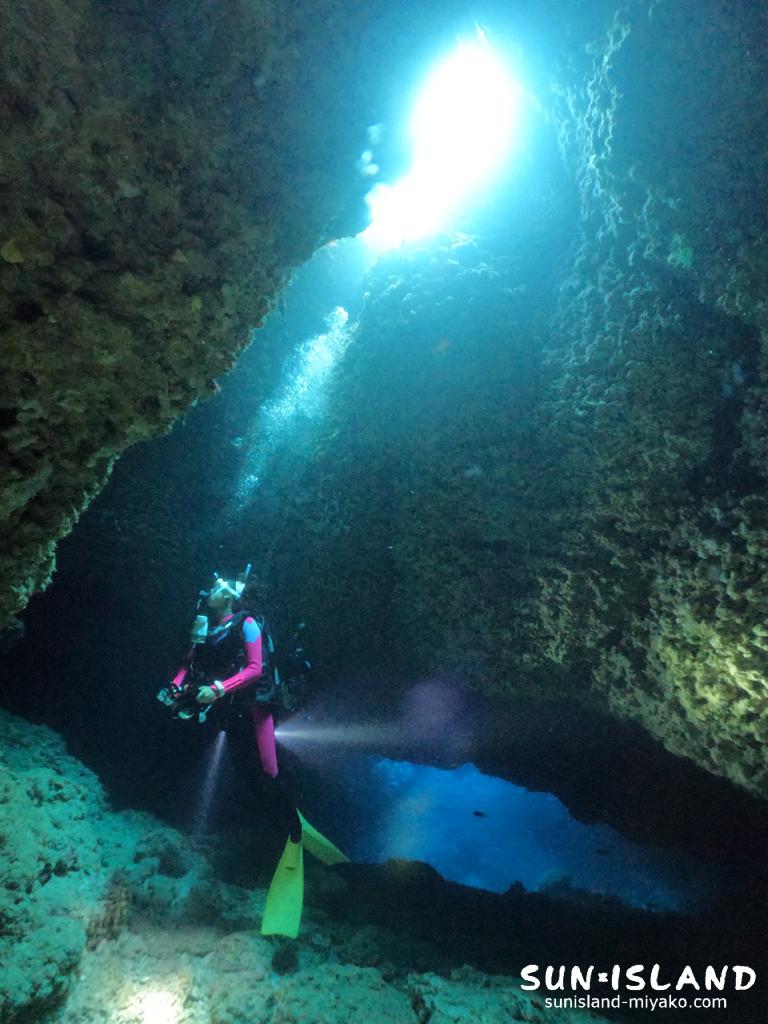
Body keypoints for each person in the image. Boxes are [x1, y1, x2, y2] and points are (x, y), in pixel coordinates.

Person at [158, 565, 347, 938]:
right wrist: (174, 687)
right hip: (227, 709)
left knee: (270, 772)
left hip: (254, 707)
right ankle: (284, 824)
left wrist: (218, 688)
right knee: (248, 778)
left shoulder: (247, 623)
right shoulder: (203, 624)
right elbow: (188, 663)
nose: (209, 590)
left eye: (215, 587)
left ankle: (294, 832)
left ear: (229, 594)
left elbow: (257, 670)